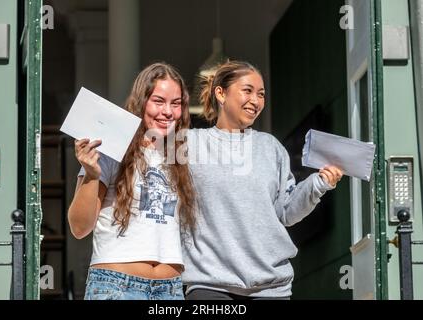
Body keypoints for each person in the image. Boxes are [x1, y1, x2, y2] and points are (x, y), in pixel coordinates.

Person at [181, 61, 343, 300]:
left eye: (261, 94)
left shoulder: (270, 147)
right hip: (210, 285)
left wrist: (318, 183)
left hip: (271, 288)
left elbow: (286, 212)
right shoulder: (189, 144)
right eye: (247, 91)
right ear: (221, 93)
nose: (256, 101)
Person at [68, 63, 196, 300]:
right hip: (116, 286)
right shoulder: (110, 148)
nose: (167, 111)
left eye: (176, 103)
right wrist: (92, 175)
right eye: (158, 101)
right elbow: (79, 227)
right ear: (141, 101)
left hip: (170, 290)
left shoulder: (181, 156)